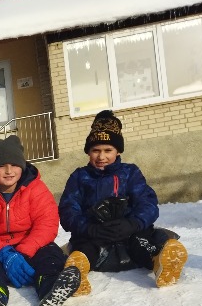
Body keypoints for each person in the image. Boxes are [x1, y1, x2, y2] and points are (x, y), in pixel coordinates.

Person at [59, 110, 188, 293]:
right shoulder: (80, 177)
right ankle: (77, 270)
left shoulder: (130, 173)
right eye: (95, 150)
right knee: (85, 248)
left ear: (118, 151)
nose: (101, 157)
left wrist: (133, 223)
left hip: (129, 233)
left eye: (108, 150)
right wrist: (89, 228)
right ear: (88, 152)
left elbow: (147, 203)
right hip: (95, 235)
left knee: (143, 242)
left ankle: (160, 262)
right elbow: (68, 209)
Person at [0, 136, 81, 306]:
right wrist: (5, 254)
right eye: (1, 165)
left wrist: (24, 251)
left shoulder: (36, 189)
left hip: (32, 246)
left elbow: (47, 223)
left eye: (14, 164)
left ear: (22, 166)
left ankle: (50, 288)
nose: (9, 171)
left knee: (50, 255)